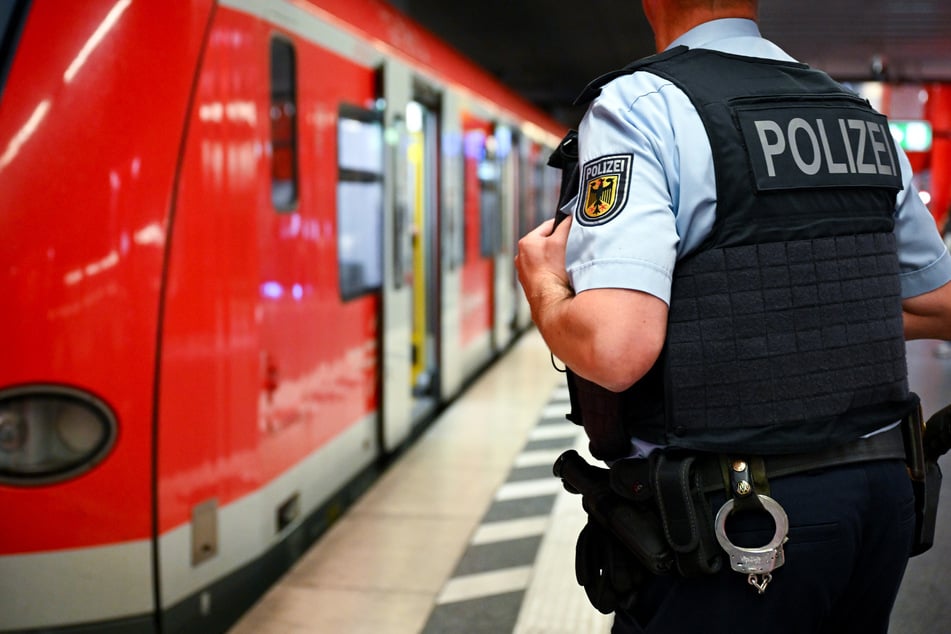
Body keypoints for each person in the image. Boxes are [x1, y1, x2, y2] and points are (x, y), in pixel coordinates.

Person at [515, 0, 951, 632]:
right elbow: (937, 304)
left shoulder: (641, 106)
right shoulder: (857, 115)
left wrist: (544, 286)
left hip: (738, 523)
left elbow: (615, 348)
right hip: (881, 501)